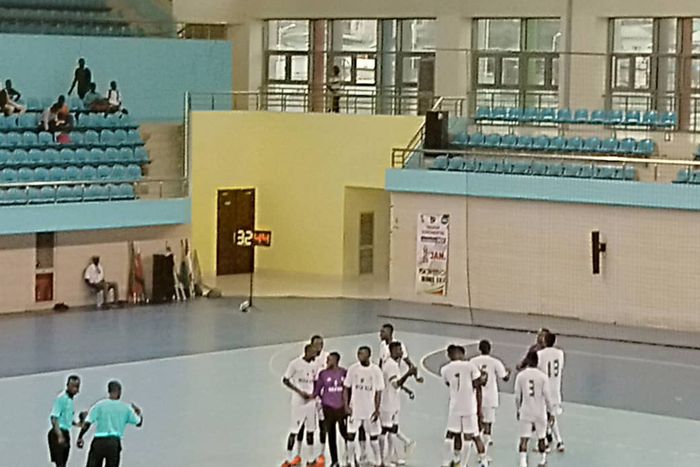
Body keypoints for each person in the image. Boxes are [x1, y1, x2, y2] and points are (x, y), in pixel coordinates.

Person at [440, 345, 489, 467]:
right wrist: (484, 377)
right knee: (471, 435)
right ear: (462, 354)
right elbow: (478, 383)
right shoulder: (470, 366)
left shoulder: (445, 369)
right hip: (469, 407)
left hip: (455, 407)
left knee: (451, 433)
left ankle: (447, 462)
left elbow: (448, 383)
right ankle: (468, 463)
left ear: (449, 355)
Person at [76, 380, 143, 467]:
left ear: (108, 391)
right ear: (119, 391)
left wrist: (80, 437)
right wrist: (139, 413)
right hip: (114, 442)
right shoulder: (126, 408)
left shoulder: (99, 405)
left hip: (99, 441)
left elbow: (87, 424)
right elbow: (139, 423)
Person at [343, 346, 384, 467]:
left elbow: (378, 391)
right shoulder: (353, 369)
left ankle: (378, 461)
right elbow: (346, 387)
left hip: (369, 410)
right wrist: (346, 406)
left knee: (373, 437)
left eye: (362, 354)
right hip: (355, 409)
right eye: (359, 353)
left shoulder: (376, 371)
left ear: (369, 355)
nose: (360, 356)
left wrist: (377, 409)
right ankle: (351, 461)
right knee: (350, 435)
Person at [469, 340, 511, 454]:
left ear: (479, 349)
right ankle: (485, 445)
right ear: (490, 349)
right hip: (490, 396)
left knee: (477, 419)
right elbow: (505, 377)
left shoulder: (472, 361)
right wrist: (509, 373)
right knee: (488, 422)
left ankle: (477, 439)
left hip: (475, 396)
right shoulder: (495, 362)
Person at [380, 342, 417, 467]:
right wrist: (408, 373)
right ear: (392, 351)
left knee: (393, 430)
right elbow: (395, 384)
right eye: (398, 349)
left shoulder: (394, 364)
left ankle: (392, 457)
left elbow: (396, 383)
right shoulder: (391, 365)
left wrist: (407, 390)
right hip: (387, 403)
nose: (401, 351)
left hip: (394, 402)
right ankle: (384, 459)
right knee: (386, 430)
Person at [282, 344, 319, 467]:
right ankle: (288, 459)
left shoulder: (315, 365)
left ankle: (310, 459)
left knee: (310, 431)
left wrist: (314, 394)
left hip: (311, 402)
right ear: (307, 351)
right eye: (313, 352)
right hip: (298, 401)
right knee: (294, 430)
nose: (315, 354)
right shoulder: (295, 364)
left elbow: (316, 381)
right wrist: (300, 392)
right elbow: (285, 380)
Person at [515, 351, 553, 467]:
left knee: (524, 437)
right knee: (541, 436)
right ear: (537, 361)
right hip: (540, 411)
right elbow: (547, 396)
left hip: (526, 410)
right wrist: (551, 411)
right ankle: (542, 460)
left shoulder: (521, 376)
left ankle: (523, 462)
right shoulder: (543, 377)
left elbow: (517, 396)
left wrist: (518, 409)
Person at [314, 352, 348, 467]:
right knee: (331, 434)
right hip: (328, 408)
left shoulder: (344, 372)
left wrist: (348, 404)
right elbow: (317, 390)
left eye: (329, 359)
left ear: (336, 360)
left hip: (341, 408)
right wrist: (321, 400)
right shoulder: (323, 374)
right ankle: (335, 461)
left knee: (345, 433)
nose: (327, 361)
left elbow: (348, 389)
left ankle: (349, 457)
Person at [48, 375, 86, 467]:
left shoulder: (70, 401)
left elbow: (68, 419)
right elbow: (54, 418)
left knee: (64, 463)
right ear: (67, 385)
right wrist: (59, 435)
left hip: (66, 432)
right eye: (73, 386)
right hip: (57, 432)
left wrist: (79, 423)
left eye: (77, 387)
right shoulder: (62, 398)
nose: (75, 389)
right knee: (60, 463)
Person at [537, 332, 565, 452]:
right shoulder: (560, 353)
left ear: (545, 341)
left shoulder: (540, 354)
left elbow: (537, 370)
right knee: (551, 415)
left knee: (544, 416)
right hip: (556, 387)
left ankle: (547, 442)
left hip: (545, 389)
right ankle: (557, 441)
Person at [310, 335, 329, 464]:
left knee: (323, 424)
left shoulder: (326, 357)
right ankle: (308, 454)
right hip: (310, 396)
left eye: (321, 344)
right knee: (308, 425)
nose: (319, 346)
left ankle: (322, 452)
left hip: (322, 396)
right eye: (317, 344)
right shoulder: (308, 358)